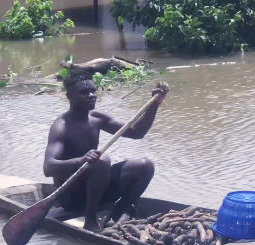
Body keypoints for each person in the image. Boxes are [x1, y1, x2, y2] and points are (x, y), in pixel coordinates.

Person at [43, 73, 169, 231]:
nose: (91, 96)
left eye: (93, 91)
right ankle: (90, 221)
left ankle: (117, 216)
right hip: (71, 196)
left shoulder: (97, 118)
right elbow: (48, 168)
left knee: (145, 165)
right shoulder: (61, 126)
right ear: (69, 96)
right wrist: (81, 160)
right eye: (84, 93)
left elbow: (137, 133)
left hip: (98, 189)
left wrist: (154, 105)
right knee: (102, 161)